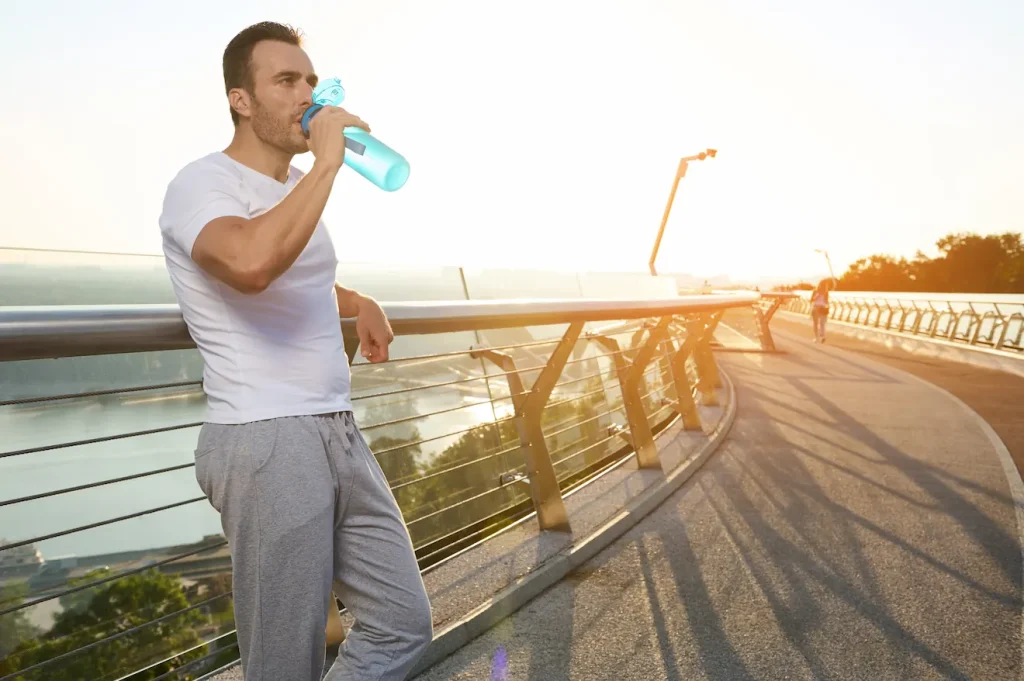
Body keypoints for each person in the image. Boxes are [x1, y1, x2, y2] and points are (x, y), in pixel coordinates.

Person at [157, 21, 432, 681]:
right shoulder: (200, 184)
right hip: (265, 441)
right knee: (285, 661)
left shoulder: (289, 193)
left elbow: (295, 267)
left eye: (310, 80)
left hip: (336, 428)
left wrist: (357, 299)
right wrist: (329, 162)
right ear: (241, 100)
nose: (305, 94)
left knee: (402, 623)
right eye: (285, 81)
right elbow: (250, 262)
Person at [810, 279, 832, 343]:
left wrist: (827, 306)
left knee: (822, 323)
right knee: (816, 323)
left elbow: (826, 301)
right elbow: (811, 300)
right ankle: (817, 337)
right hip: (816, 308)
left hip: (822, 308)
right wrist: (816, 296)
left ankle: (822, 336)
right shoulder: (815, 291)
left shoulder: (826, 292)